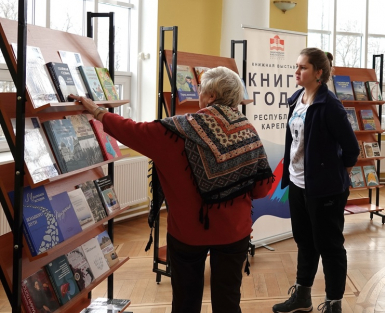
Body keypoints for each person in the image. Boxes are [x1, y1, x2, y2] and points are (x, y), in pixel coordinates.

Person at [71, 66, 274, 313]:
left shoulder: (174, 131)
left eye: (201, 91)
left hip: (188, 232)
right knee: (228, 301)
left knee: (185, 303)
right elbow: (261, 189)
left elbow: (130, 130)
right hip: (234, 231)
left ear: (211, 96)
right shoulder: (247, 131)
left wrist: (97, 111)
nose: (199, 95)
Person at [272, 48, 360, 313]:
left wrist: (334, 175)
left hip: (325, 190)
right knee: (305, 242)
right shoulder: (297, 99)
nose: (296, 71)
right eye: (296, 66)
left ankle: (334, 304)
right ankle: (302, 296)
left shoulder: (330, 105)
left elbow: (351, 149)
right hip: (298, 184)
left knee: (330, 247)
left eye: (303, 67)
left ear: (318, 72)